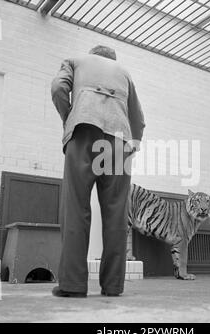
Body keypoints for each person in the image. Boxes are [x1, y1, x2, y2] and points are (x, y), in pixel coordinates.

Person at [50, 45, 145, 297]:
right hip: (118, 141)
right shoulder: (124, 73)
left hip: (83, 131)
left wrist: (69, 119)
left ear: (93, 54)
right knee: (116, 214)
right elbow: (139, 120)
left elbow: (59, 88)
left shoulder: (74, 59)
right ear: (112, 59)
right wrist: (131, 147)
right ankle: (113, 286)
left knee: (75, 209)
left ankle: (73, 285)